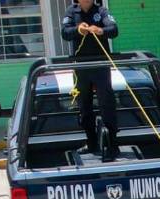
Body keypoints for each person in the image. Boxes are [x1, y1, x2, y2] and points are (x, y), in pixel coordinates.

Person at [61, 0, 119, 161]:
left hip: (100, 66)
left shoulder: (101, 11)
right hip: (81, 67)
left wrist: (100, 30)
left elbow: (114, 30)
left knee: (106, 104)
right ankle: (91, 143)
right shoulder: (71, 12)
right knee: (84, 106)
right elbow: (65, 33)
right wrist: (78, 29)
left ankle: (112, 145)